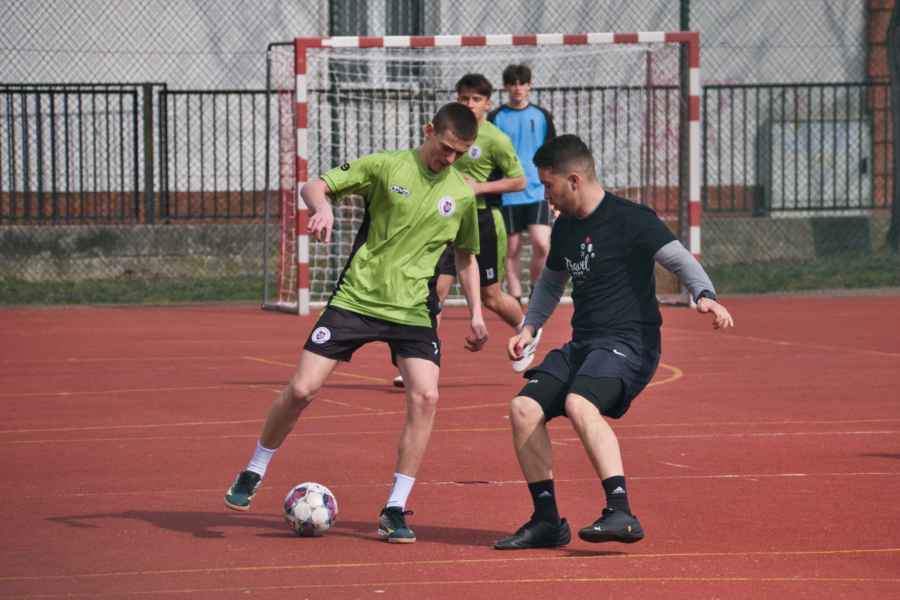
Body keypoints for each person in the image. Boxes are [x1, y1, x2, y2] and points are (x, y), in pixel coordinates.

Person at [224, 103, 490, 545]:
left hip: (412, 310)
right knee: (302, 390)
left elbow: (465, 256)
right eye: (445, 148)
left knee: (426, 397)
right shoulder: (386, 166)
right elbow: (314, 185)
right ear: (429, 130)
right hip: (357, 298)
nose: (449, 159)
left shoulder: (460, 194)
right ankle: (253, 469)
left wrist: (477, 313)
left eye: (458, 154)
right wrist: (323, 208)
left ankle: (394, 509)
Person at [494, 134, 734, 550]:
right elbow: (551, 283)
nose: (545, 195)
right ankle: (547, 521)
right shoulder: (565, 227)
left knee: (579, 403)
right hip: (585, 343)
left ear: (573, 180)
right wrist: (529, 327)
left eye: (548, 185)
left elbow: (679, 259)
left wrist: (705, 295)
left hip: (630, 342)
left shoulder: (631, 219)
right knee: (524, 408)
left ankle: (621, 512)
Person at [393, 73, 536, 388]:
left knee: (491, 297)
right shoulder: (446, 132)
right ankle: (420, 359)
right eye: (464, 98)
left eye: (476, 99)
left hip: (481, 220)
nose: (470, 104)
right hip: (444, 217)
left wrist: (479, 187)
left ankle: (527, 331)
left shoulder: (495, 139)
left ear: (488, 104)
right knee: (435, 292)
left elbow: (519, 181)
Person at [489, 64, 556, 307]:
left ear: (530, 86)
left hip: (537, 191)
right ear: (506, 87)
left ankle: (536, 289)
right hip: (508, 192)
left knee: (542, 244)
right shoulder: (496, 117)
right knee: (512, 248)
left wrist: (553, 189)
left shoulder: (542, 115)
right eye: (513, 84)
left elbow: (553, 152)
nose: (518, 88)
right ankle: (516, 298)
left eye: (522, 83)